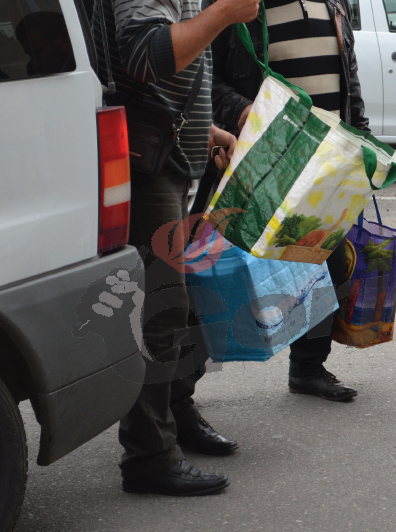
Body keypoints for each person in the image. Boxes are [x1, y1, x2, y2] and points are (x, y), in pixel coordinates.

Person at [92, 0, 259, 495]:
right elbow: (147, 55)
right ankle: (150, 457)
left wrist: (204, 130)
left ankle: (176, 417)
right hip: (149, 169)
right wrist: (224, 13)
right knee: (161, 312)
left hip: (171, 157)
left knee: (184, 304)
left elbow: (160, 80)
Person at [207, 0, 369, 402]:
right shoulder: (239, 7)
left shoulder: (332, 3)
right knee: (226, 268)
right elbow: (206, 78)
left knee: (327, 263)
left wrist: (362, 139)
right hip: (270, 157)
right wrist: (242, 110)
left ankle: (308, 367)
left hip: (328, 160)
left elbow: (348, 76)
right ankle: (178, 390)